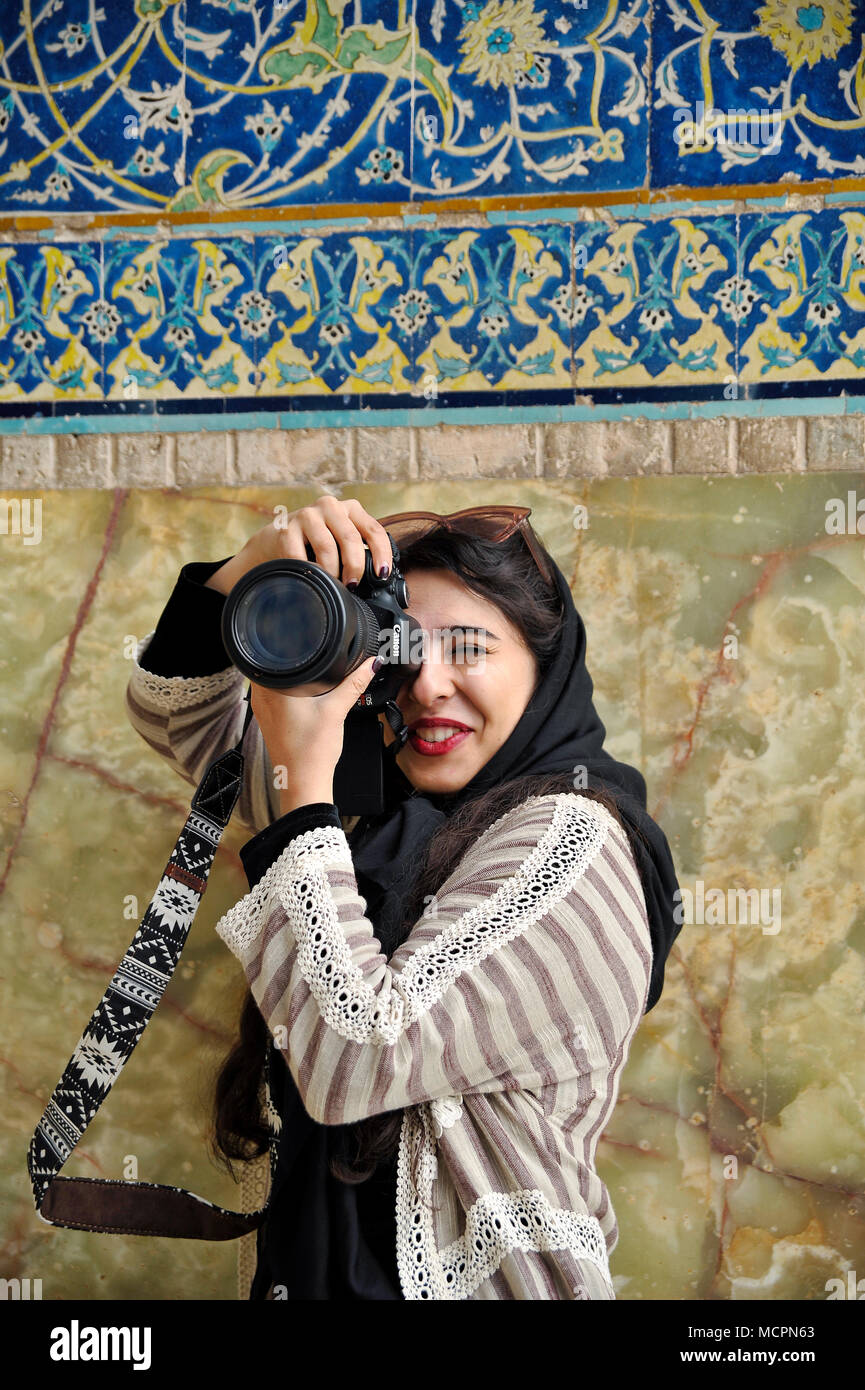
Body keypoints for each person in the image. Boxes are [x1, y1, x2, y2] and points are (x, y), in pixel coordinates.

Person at [125, 495, 681, 1301]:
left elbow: (357, 1056)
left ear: (544, 665)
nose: (427, 685)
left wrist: (305, 786)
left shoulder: (574, 838)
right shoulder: (374, 803)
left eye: (469, 648)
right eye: (400, 650)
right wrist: (242, 575)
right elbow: (181, 721)